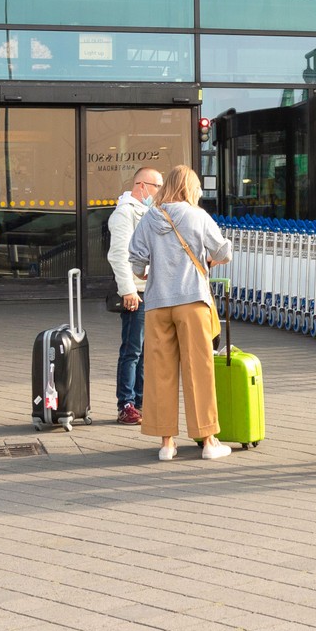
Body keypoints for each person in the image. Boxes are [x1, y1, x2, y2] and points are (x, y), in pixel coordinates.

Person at [128, 164, 233, 461]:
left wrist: (145, 272)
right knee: (199, 370)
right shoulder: (197, 215)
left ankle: (167, 444)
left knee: (160, 371)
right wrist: (211, 259)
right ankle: (209, 440)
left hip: (158, 303)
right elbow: (223, 252)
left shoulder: (150, 217)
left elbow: (135, 257)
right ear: (190, 187)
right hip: (192, 301)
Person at [106, 165, 164, 426]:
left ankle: (140, 401)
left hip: (149, 290)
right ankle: (126, 404)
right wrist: (127, 289)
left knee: (145, 350)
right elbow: (119, 254)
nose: (160, 192)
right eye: (157, 187)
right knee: (132, 350)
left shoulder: (147, 212)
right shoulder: (124, 213)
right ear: (142, 186)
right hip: (136, 292)